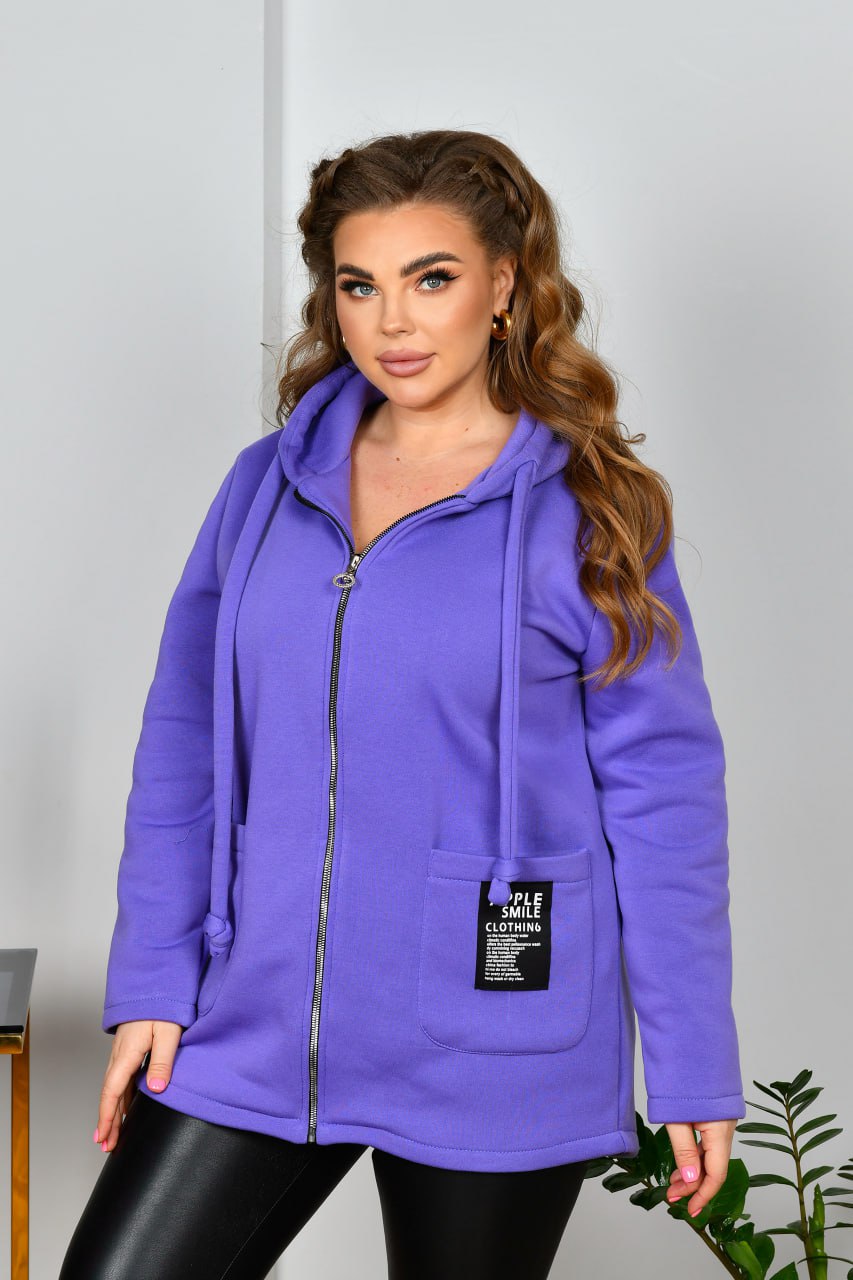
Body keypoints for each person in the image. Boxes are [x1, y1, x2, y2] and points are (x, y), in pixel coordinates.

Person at [60, 128, 745, 1279]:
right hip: (258, 1013)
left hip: (495, 1031)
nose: (392, 322)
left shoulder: (591, 511)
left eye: (431, 278)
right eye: (359, 284)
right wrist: (155, 982)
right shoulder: (264, 489)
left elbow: (664, 797)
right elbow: (183, 748)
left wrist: (691, 1063)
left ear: (504, 284)